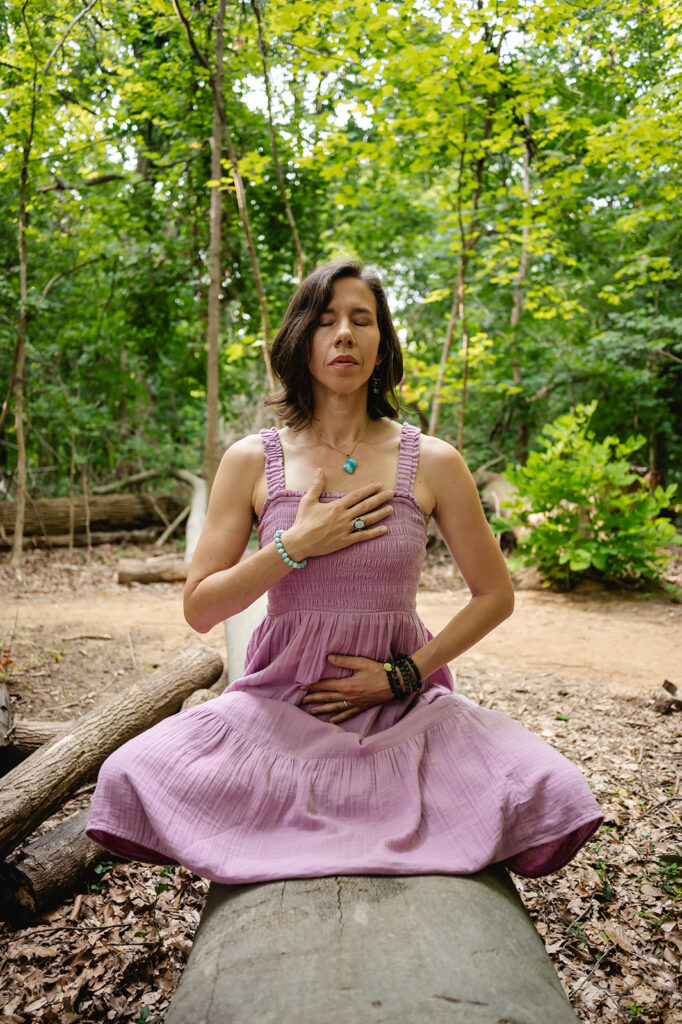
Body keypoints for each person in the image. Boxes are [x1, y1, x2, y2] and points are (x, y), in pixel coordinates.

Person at [86, 258, 603, 881]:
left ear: (381, 343)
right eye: (326, 320)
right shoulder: (251, 459)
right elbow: (201, 609)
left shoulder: (434, 461)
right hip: (280, 705)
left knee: (554, 787)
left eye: (362, 320)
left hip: (406, 708)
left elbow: (495, 595)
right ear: (300, 339)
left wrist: (403, 676)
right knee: (126, 772)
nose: (344, 335)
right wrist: (295, 545)